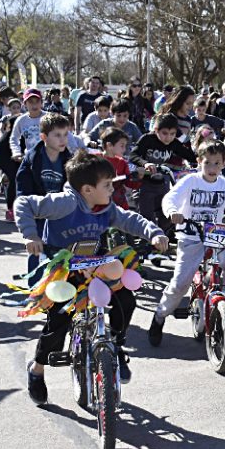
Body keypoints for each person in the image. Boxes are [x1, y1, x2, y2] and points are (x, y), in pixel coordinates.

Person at [15, 150, 169, 402]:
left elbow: (129, 219)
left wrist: (153, 232)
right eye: (107, 185)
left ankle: (116, 347)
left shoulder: (106, 207)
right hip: (62, 266)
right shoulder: (64, 203)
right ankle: (37, 369)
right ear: (87, 189)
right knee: (59, 321)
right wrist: (31, 235)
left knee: (126, 300)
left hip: (94, 262)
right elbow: (24, 203)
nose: (112, 189)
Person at [147, 140, 225, 345]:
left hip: (215, 236)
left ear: (224, 163)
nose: (212, 168)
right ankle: (159, 316)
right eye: (208, 163)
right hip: (191, 237)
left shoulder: (224, 184)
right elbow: (170, 198)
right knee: (180, 284)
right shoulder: (191, 181)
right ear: (199, 162)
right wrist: (173, 212)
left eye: (217, 163)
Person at [16, 113, 71, 286]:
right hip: (38, 213)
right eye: (57, 135)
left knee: (61, 254)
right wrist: (27, 220)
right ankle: (34, 290)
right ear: (43, 137)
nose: (62, 139)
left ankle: (59, 290)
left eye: (65, 135)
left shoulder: (69, 161)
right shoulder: (32, 159)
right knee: (36, 250)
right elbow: (23, 190)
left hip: (60, 214)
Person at [129, 114, 197, 229]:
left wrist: (187, 140)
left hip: (162, 182)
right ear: (156, 130)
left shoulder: (174, 143)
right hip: (144, 183)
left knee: (166, 215)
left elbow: (190, 156)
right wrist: (145, 163)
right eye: (164, 133)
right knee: (147, 216)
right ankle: (149, 240)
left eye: (172, 134)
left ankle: (162, 237)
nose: (168, 138)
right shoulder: (148, 139)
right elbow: (133, 155)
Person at [101, 127, 143, 210]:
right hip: (100, 201)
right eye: (122, 146)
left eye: (125, 146)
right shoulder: (96, 160)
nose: (124, 149)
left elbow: (128, 183)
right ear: (109, 145)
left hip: (119, 203)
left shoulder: (122, 162)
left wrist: (139, 177)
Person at [10, 88, 47, 161]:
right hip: (30, 158)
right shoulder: (21, 120)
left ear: (41, 103)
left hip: (48, 157)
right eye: (30, 102)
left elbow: (65, 134)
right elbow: (14, 138)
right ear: (25, 104)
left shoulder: (49, 117)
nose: (34, 105)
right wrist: (16, 152)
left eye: (37, 101)